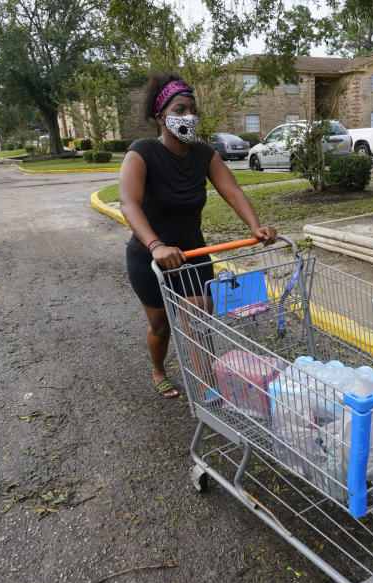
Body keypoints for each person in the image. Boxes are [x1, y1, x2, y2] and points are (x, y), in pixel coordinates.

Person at [119, 72, 276, 399]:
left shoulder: (204, 154)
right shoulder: (143, 151)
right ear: (161, 116)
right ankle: (159, 369)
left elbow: (232, 191)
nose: (188, 116)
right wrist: (156, 245)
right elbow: (128, 203)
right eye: (179, 109)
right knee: (161, 327)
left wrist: (255, 226)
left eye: (191, 109)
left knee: (197, 321)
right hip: (150, 258)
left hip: (192, 256)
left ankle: (208, 392)